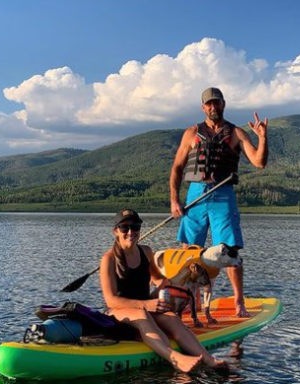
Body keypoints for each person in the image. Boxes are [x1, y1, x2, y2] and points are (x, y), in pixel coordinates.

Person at [170, 87, 268, 318]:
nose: (213, 107)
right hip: (195, 194)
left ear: (223, 104)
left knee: (230, 249)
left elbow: (259, 162)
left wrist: (262, 138)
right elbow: (177, 167)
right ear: (203, 107)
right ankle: (190, 300)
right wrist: (174, 199)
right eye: (209, 104)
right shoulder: (191, 133)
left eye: (217, 103)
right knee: (189, 251)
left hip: (222, 194)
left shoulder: (236, 133)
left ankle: (239, 302)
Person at [100, 209, 228, 372]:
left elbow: (160, 280)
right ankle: (175, 359)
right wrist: (146, 304)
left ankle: (209, 360)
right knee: (141, 314)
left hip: (145, 308)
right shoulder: (108, 259)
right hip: (117, 312)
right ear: (116, 231)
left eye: (135, 226)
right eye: (125, 228)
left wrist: (165, 294)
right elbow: (111, 300)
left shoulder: (146, 252)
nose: (130, 232)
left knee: (172, 318)